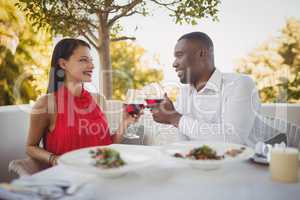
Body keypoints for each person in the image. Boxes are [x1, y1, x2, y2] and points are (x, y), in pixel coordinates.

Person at [26, 38, 140, 166]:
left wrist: (125, 123)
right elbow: (30, 147)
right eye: (83, 60)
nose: (91, 66)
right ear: (63, 64)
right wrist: (54, 159)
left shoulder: (98, 99)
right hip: (68, 179)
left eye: (91, 60)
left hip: (101, 175)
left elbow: (107, 146)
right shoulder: (47, 103)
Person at [149, 32, 261, 147]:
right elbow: (182, 141)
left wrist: (174, 118)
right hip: (194, 162)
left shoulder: (239, 84)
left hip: (239, 164)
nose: (174, 64)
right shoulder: (185, 92)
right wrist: (168, 119)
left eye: (180, 55)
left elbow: (233, 138)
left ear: (202, 54)